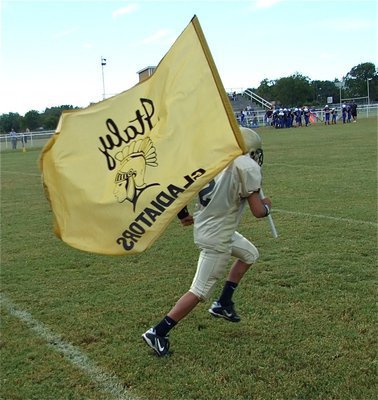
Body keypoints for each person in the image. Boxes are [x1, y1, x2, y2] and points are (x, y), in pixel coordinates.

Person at [142, 127, 272, 356]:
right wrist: (268, 205)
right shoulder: (245, 166)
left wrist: (183, 216)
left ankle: (223, 303)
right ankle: (158, 332)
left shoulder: (215, 160)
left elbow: (178, 187)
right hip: (218, 236)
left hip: (211, 228)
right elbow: (258, 211)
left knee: (250, 254)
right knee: (199, 291)